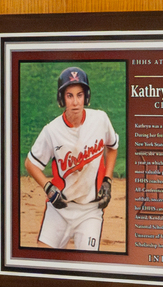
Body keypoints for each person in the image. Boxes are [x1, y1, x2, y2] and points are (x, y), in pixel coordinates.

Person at [25, 66, 120, 251]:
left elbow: (113, 146)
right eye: (69, 96)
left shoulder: (100, 120)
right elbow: (30, 164)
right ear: (62, 99)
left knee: (88, 267)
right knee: (42, 263)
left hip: (90, 211)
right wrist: (48, 187)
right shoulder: (52, 131)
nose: (75, 102)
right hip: (60, 210)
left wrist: (107, 180)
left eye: (79, 95)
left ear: (86, 97)